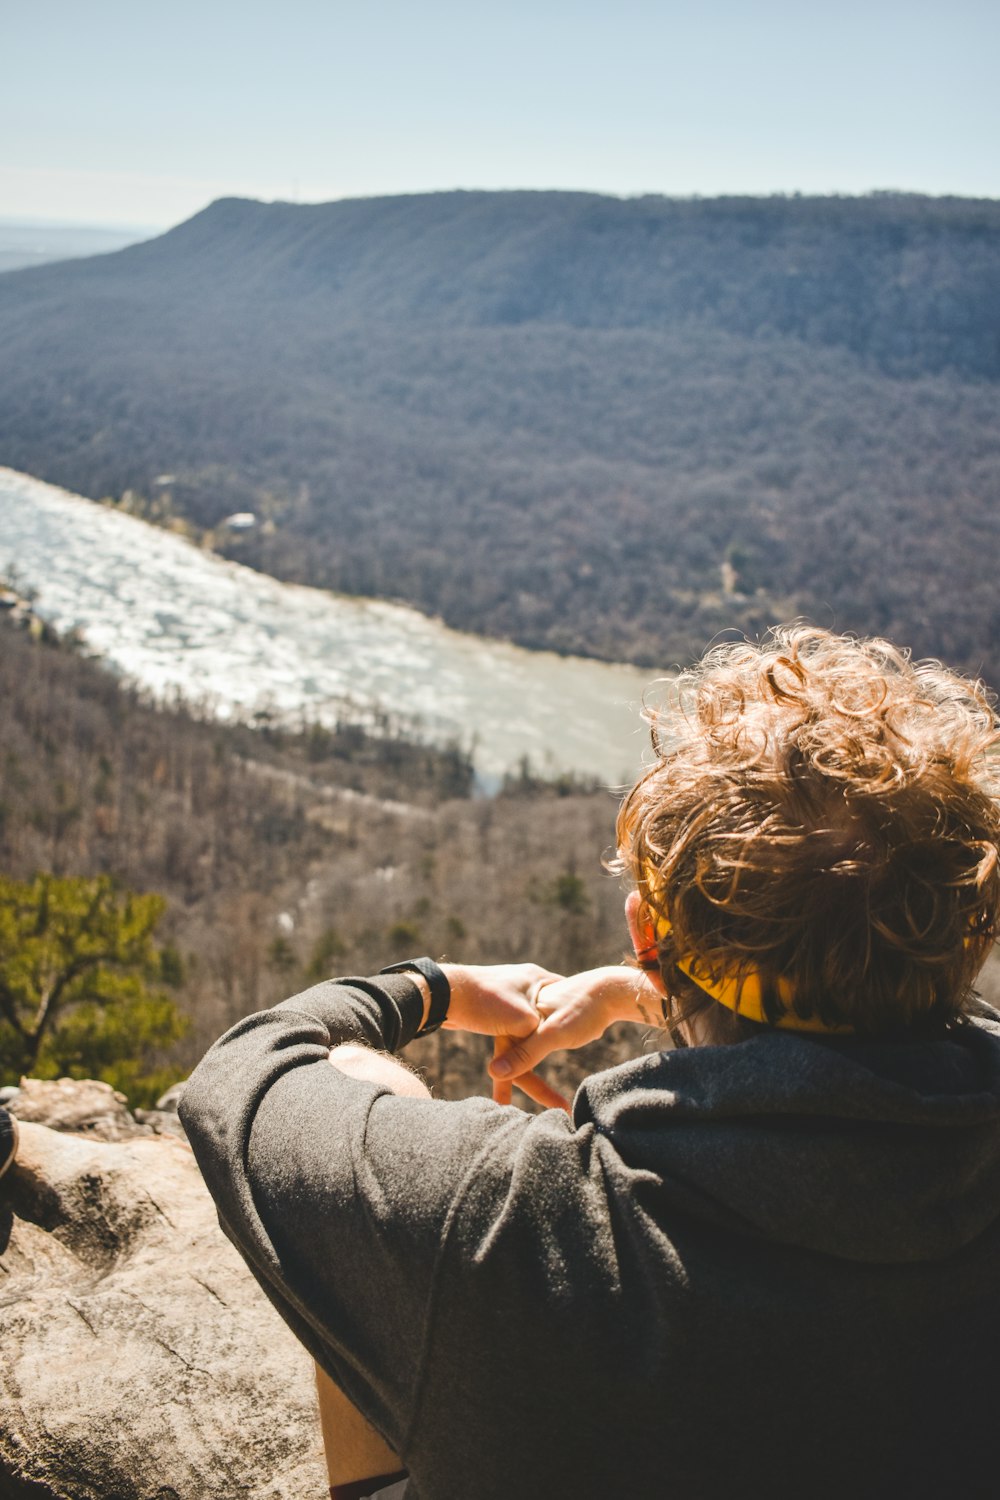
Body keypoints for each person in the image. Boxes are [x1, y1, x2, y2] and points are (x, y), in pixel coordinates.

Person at [180, 626, 1000, 1500]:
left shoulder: (504, 1216)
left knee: (369, 1085)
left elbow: (240, 1078)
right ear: (969, 939)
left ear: (646, 931)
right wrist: (636, 992)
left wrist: (433, 987)